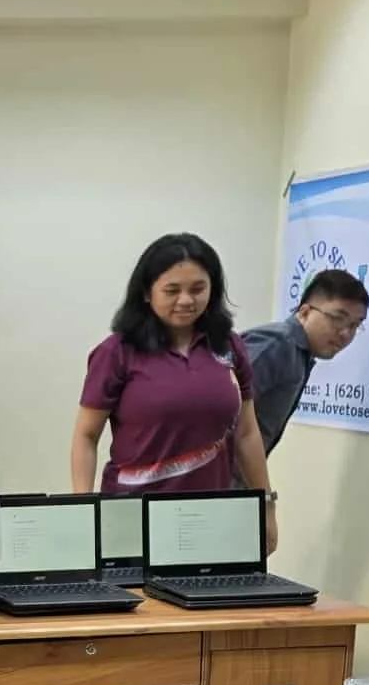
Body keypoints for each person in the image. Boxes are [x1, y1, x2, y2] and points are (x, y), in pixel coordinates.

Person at [71, 232, 277, 544]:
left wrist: (266, 506)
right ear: (146, 293)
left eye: (198, 289)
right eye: (172, 290)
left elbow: (247, 433)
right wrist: (82, 509)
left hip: (210, 518)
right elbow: (86, 436)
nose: (186, 300)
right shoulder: (117, 352)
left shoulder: (229, 345)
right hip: (132, 520)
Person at [240, 267, 369, 457]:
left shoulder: (299, 354)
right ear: (304, 312)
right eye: (337, 319)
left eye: (354, 325)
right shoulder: (276, 346)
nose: (345, 334)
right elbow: (213, 414)